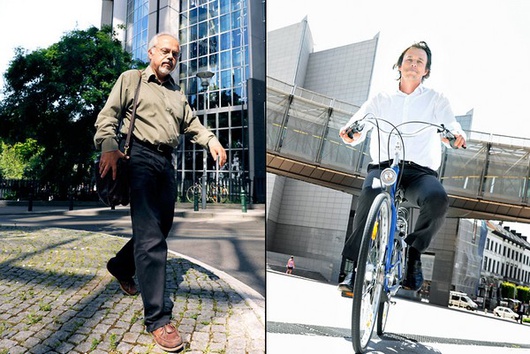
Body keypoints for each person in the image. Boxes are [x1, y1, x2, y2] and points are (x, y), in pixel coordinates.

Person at [94, 33, 227, 352]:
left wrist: (211, 140)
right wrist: (109, 147)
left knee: (161, 227)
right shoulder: (132, 79)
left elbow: (192, 124)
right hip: (136, 156)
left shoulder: (177, 93)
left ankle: (121, 266)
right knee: (151, 238)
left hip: (165, 163)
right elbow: (108, 116)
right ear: (151, 52)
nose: (170, 57)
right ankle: (157, 319)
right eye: (165, 51)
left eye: (175, 54)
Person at [337, 41, 466, 293]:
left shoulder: (436, 100)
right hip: (384, 168)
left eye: (420, 61)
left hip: (420, 173)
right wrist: (349, 131)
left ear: (426, 70)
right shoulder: (381, 97)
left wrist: (456, 136)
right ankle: (355, 269)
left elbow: (450, 125)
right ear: (399, 65)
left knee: (438, 199)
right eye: (409, 59)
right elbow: (359, 124)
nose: (414, 64)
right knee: (370, 196)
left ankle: (414, 255)